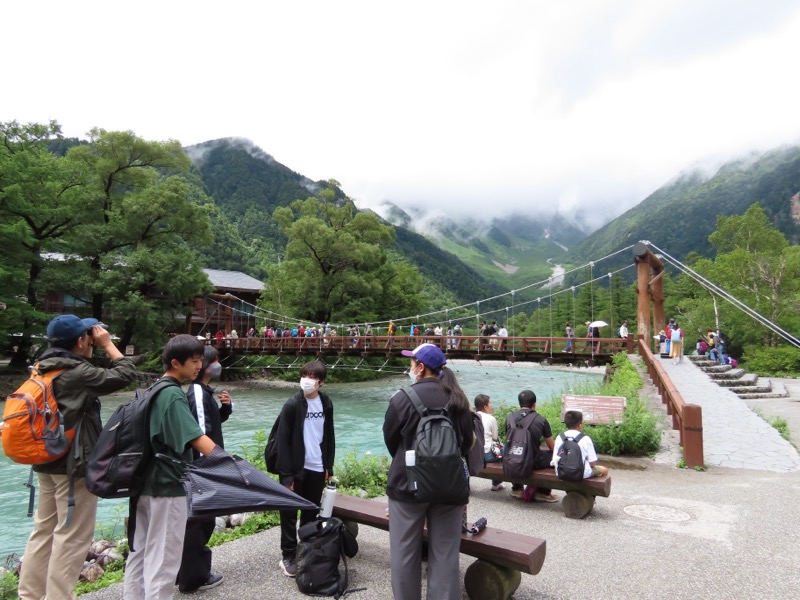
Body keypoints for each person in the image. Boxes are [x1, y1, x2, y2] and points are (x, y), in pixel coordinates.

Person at [16, 315, 137, 600]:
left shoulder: (42, 368)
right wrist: (108, 344)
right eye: (89, 336)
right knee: (72, 537)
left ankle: (30, 595)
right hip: (74, 466)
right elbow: (125, 373)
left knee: (43, 531)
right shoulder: (77, 372)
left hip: (46, 462)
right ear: (81, 340)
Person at [123, 334, 218, 599]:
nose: (200, 366)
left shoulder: (152, 390)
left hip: (142, 483)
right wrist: (232, 465)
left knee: (140, 552)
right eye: (195, 361)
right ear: (176, 363)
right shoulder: (174, 395)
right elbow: (197, 439)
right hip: (167, 487)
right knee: (164, 558)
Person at [383, 343, 473, 600]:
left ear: (421, 368)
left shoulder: (402, 398)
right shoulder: (458, 400)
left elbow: (391, 440)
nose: (409, 368)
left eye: (411, 363)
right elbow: (466, 442)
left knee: (404, 554)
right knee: (445, 554)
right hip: (450, 487)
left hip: (407, 486)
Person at [177, 346, 233, 593]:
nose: (218, 364)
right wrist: (209, 468)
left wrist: (225, 410)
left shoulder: (203, 393)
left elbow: (209, 424)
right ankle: (194, 577)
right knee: (200, 522)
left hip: (203, 467)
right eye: (215, 360)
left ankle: (186, 572)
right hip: (203, 469)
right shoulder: (198, 393)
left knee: (200, 521)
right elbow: (199, 433)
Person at [275, 361, 335, 578]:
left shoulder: (326, 402)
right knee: (289, 513)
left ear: (321, 382)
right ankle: (288, 555)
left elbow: (329, 435)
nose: (307, 380)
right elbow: (283, 442)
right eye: (304, 375)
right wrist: (286, 475)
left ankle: (306, 549)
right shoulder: (292, 405)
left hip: (317, 468)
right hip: (296, 468)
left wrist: (329, 464)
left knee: (310, 511)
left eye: (312, 376)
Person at [505, 390, 559, 502]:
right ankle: (543, 492)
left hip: (511, 458)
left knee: (514, 452)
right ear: (534, 404)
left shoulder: (509, 418)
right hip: (531, 461)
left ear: (519, 403)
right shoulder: (541, 420)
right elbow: (552, 447)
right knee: (553, 457)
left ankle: (517, 488)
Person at [552, 410, 608, 479]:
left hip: (561, 473)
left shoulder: (559, 437)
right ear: (580, 425)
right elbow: (593, 463)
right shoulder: (586, 439)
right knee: (604, 470)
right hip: (581, 474)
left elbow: (555, 459)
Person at [475, 394, 504, 491]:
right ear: (485, 407)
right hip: (486, 455)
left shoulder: (471, 417)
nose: (492, 405)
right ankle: (496, 484)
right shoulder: (491, 418)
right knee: (502, 451)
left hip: (474, 455)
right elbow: (495, 438)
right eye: (490, 403)